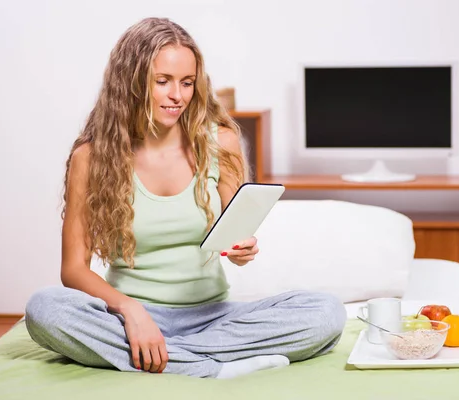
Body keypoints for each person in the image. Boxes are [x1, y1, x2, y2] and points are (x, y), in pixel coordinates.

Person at [24, 17, 346, 379]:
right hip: (128, 318)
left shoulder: (220, 142)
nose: (177, 95)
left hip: (213, 317)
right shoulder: (92, 157)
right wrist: (131, 312)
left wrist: (241, 248)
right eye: (162, 81)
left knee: (326, 312)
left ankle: (171, 359)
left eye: (187, 82)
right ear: (132, 82)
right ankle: (216, 364)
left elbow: (233, 237)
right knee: (44, 309)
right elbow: (73, 269)